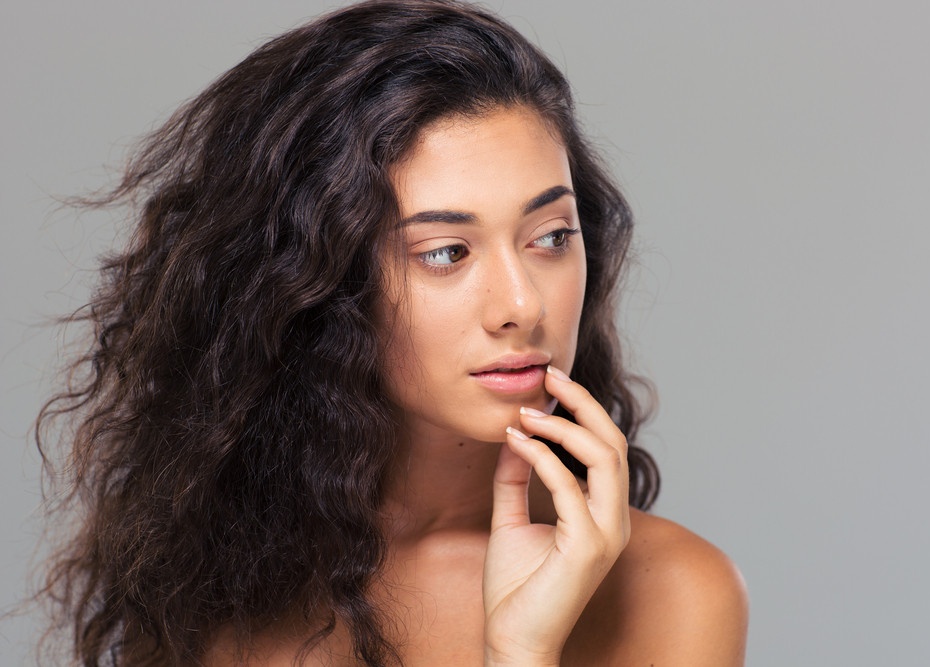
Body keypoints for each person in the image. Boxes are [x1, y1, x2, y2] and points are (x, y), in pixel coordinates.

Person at [35, 1, 748, 664]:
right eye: (446, 252)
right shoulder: (219, 573)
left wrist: (521, 650)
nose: (522, 304)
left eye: (552, 236)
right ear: (322, 280)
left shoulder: (676, 591)